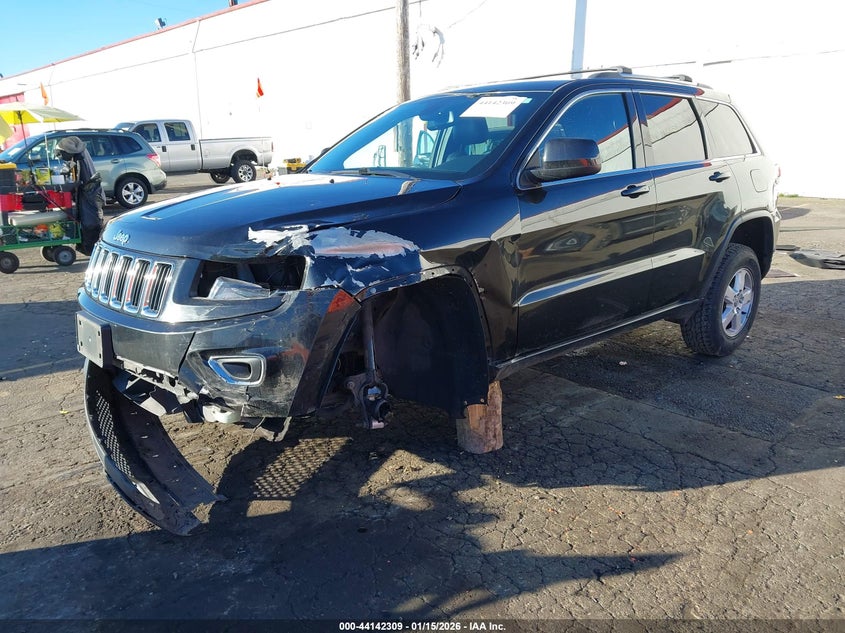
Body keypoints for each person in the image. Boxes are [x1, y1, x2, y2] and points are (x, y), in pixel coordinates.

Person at [55, 136, 104, 255]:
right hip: (89, 194)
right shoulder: (79, 156)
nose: (61, 156)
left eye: (62, 153)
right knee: (89, 221)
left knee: (90, 222)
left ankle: (90, 249)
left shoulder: (80, 158)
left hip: (89, 196)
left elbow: (82, 179)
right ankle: (88, 247)